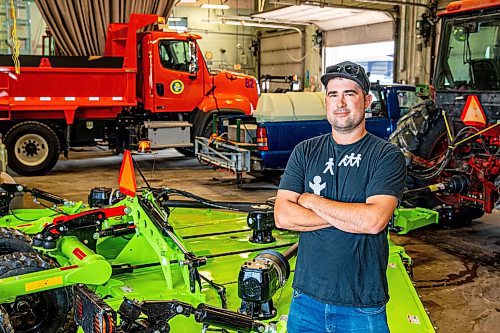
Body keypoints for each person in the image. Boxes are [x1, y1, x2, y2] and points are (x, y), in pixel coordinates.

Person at [274, 61, 406, 333]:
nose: (340, 103)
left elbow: (372, 221)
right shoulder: (305, 151)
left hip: (361, 305)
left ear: (366, 101)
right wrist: (350, 216)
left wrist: (310, 200)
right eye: (333, 95)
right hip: (305, 300)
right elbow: (283, 216)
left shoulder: (386, 156)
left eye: (350, 94)